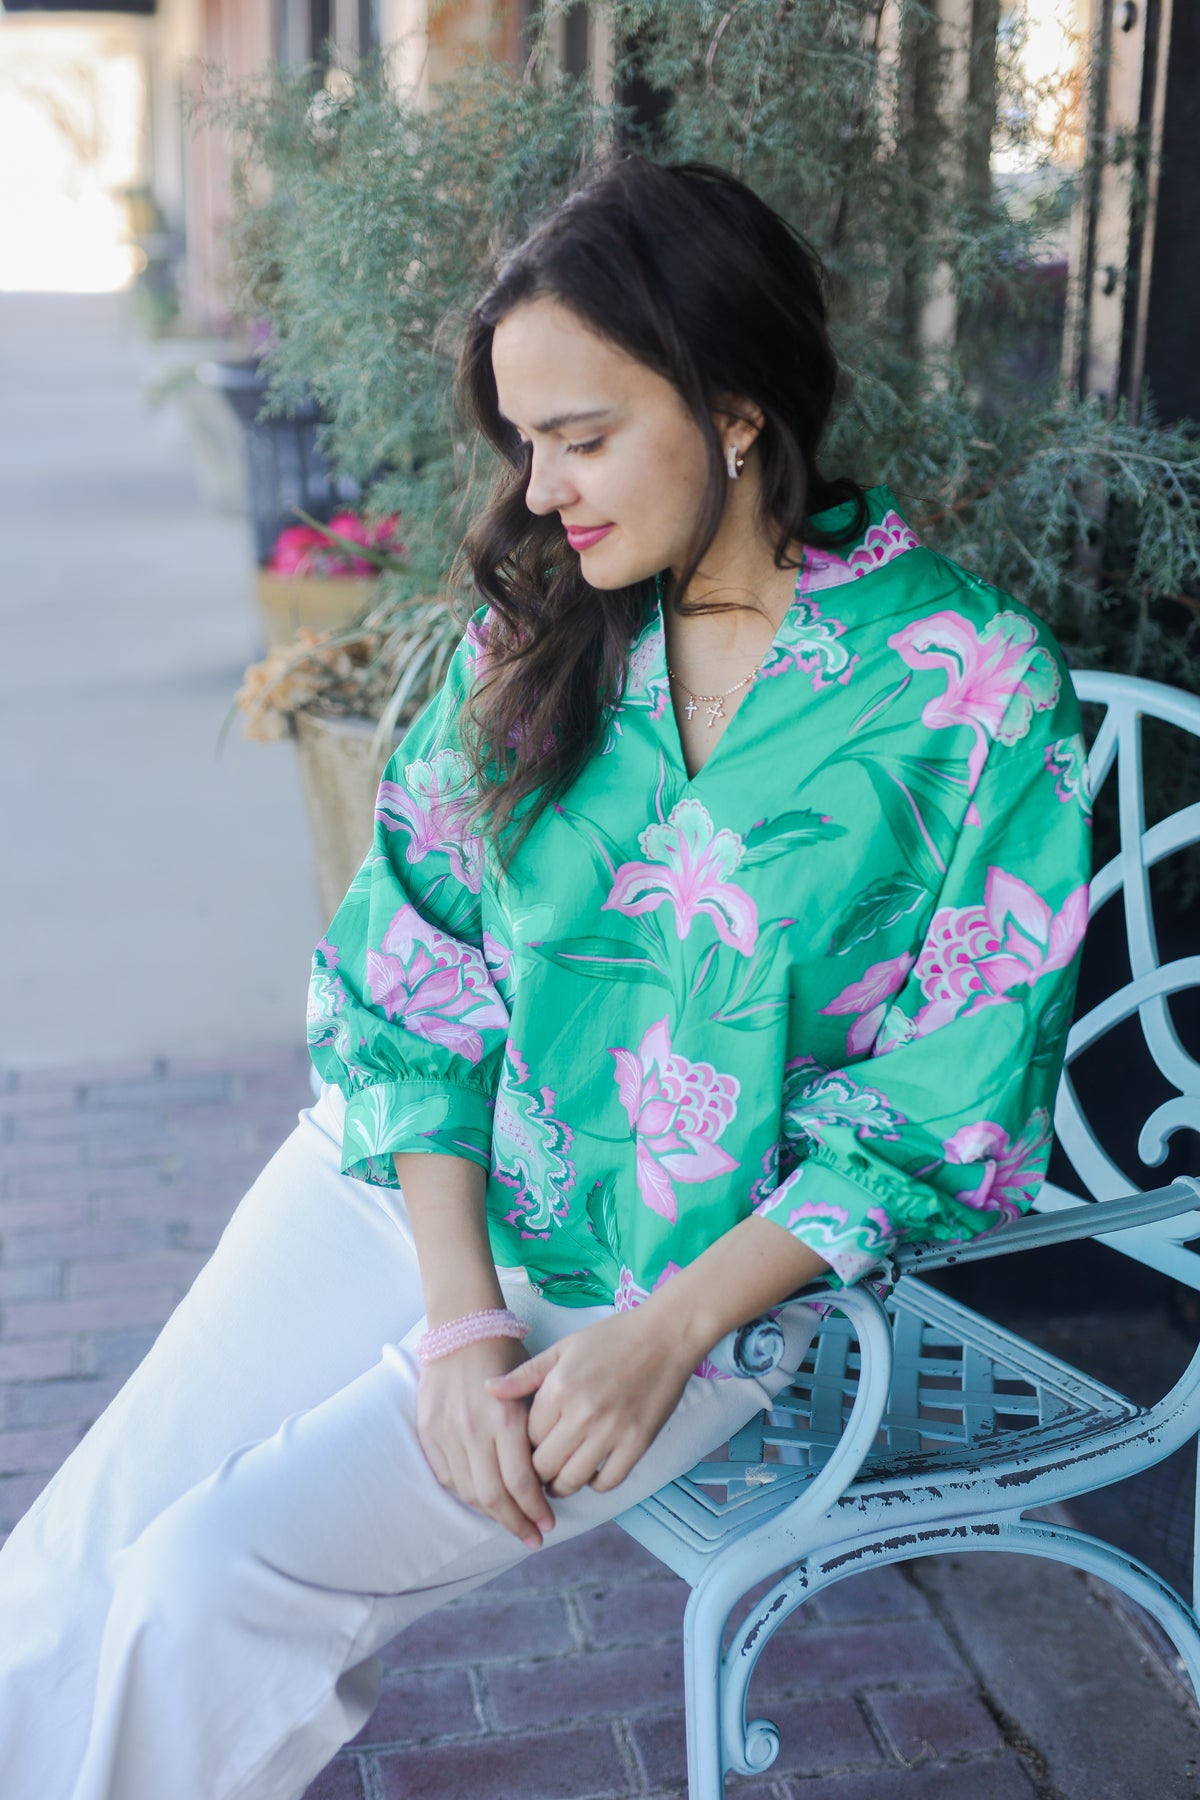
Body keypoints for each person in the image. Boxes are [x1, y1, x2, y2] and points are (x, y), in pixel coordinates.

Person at [0, 153, 1091, 1798]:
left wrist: (660, 1338)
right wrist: (457, 1326)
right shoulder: (545, 634)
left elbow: (946, 1112)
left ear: (735, 411)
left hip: (674, 1291)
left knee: (211, 1587)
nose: (541, 492)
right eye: (524, 443)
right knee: (74, 1559)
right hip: (411, 1192)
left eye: (581, 438)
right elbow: (410, 978)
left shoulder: (976, 691)